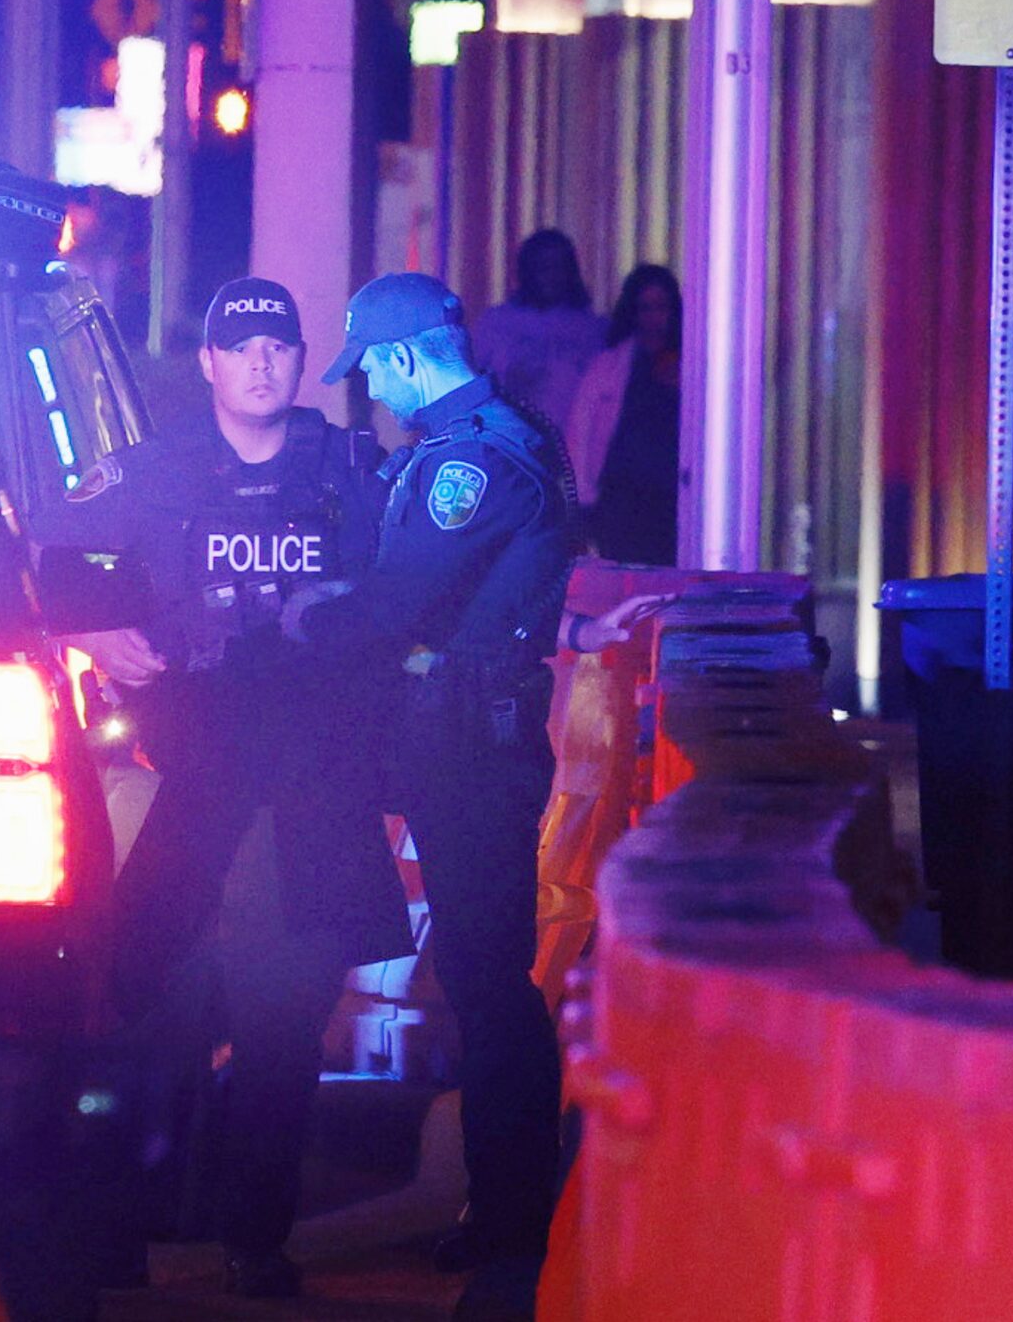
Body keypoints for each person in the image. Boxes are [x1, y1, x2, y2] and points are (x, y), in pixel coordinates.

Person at [60, 277, 412, 1301]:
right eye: (238, 345)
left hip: (309, 810)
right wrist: (80, 629)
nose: (260, 362)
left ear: (299, 362)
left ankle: (255, 1243)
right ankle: (125, 1232)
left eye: (277, 346)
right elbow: (36, 568)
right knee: (142, 1019)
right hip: (194, 802)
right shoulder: (150, 473)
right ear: (207, 362)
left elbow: (437, 579)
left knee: (280, 1039)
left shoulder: (352, 468)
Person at [285, 271, 575, 1322]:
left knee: (490, 982)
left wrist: (308, 614)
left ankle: (512, 1231)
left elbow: (400, 599)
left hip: (470, 750)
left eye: (370, 374)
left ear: (403, 358)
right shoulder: (483, 440)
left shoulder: (473, 461)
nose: (371, 397)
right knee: (471, 970)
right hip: (444, 740)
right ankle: (503, 1215)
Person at [564, 263, 681, 567]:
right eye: (645, 308)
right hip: (621, 498)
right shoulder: (609, 366)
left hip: (672, 498)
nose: (654, 318)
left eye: (661, 307)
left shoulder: (692, 365)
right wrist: (582, 499)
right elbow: (582, 433)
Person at [466, 229, 606, 434]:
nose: (552, 276)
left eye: (559, 267)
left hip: (571, 445)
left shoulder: (593, 329)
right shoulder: (495, 324)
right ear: (527, 270)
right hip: (508, 442)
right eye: (543, 267)